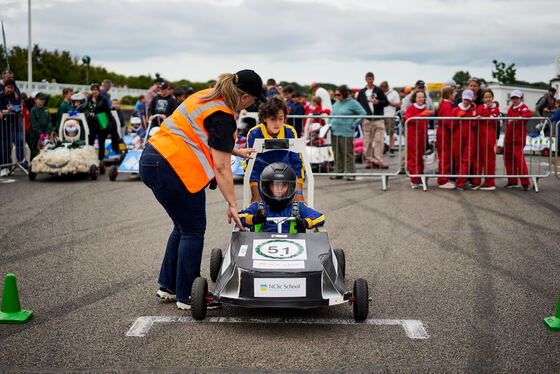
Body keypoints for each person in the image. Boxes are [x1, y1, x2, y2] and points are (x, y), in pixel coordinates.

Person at [139, 69, 265, 310]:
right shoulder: (223, 114)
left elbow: (201, 135)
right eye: (253, 100)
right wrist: (233, 204)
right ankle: (187, 295)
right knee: (193, 229)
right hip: (173, 167)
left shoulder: (206, 96)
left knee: (182, 226)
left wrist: (234, 150)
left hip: (151, 159)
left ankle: (168, 286)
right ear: (245, 97)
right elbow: (221, 167)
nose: (251, 104)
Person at [244, 96, 304, 204]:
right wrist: (255, 195)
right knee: (258, 209)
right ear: (264, 118)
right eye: (273, 119)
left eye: (280, 119)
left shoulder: (290, 132)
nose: (277, 123)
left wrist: (299, 194)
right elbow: (250, 166)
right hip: (261, 177)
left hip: (285, 176)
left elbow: (297, 162)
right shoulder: (254, 133)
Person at [239, 162, 324, 233]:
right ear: (267, 187)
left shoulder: (298, 207)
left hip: (294, 249)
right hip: (260, 249)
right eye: (275, 185)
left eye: (283, 185)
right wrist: (253, 219)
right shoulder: (258, 207)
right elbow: (238, 217)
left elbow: (320, 217)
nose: (279, 189)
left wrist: (306, 223)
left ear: (290, 187)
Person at [329, 85, 366, 181]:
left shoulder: (353, 103)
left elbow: (363, 113)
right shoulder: (336, 103)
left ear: (344, 94)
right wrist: (329, 124)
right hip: (334, 131)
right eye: (335, 95)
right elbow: (331, 115)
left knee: (347, 153)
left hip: (346, 132)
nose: (336, 96)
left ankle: (350, 173)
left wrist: (354, 123)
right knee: (337, 153)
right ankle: (338, 172)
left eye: (338, 94)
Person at [356, 72, 389, 169]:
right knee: (367, 141)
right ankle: (369, 160)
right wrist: (362, 116)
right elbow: (358, 105)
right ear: (366, 80)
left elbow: (386, 102)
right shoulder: (361, 92)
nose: (370, 81)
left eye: (371, 79)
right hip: (367, 120)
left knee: (379, 140)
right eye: (368, 79)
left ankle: (378, 160)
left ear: (373, 79)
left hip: (378, 119)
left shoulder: (379, 90)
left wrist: (378, 102)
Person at [405, 90, 433, 189]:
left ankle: (420, 177)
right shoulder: (411, 108)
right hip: (412, 136)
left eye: (422, 97)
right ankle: (414, 179)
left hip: (422, 136)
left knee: (420, 157)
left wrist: (427, 137)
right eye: (419, 97)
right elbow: (408, 120)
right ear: (415, 98)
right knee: (413, 157)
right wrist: (420, 115)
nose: (421, 99)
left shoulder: (424, 108)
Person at [504, 89, 532, 190]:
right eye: (513, 98)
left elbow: (528, 114)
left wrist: (517, 118)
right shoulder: (511, 108)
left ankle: (525, 182)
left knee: (519, 160)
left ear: (521, 98)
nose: (515, 100)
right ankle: (512, 181)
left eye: (517, 98)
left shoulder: (523, 107)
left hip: (518, 138)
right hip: (509, 137)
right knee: (508, 159)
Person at [473, 89, 500, 190]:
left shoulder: (495, 109)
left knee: (489, 159)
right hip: (479, 136)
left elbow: (489, 118)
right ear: (482, 99)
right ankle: (476, 181)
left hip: (489, 136)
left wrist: (483, 114)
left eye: (489, 97)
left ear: (492, 98)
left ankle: (489, 182)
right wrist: (482, 113)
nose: (488, 99)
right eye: (486, 97)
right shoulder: (480, 106)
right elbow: (478, 115)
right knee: (478, 159)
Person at [87, 83, 120, 163]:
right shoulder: (88, 98)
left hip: (102, 122)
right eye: (92, 90)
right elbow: (86, 108)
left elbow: (108, 112)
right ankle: (90, 158)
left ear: (99, 91)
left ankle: (101, 159)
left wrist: (110, 123)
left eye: (95, 90)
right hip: (92, 123)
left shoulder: (103, 99)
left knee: (101, 141)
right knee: (90, 141)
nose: (94, 92)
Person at [452, 89, 476, 190]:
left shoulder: (472, 110)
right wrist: (457, 118)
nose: (466, 101)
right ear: (462, 98)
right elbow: (451, 125)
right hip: (457, 137)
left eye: (468, 100)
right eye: (465, 99)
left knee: (467, 159)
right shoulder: (455, 110)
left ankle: (461, 181)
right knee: (458, 160)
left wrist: (475, 116)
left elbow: (474, 125)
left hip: (469, 137)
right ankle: (459, 179)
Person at [436, 86, 457, 189]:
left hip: (444, 134)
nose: (456, 94)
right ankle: (443, 180)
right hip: (445, 134)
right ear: (449, 94)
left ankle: (444, 178)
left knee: (445, 157)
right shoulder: (447, 105)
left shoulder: (446, 104)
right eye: (454, 92)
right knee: (445, 157)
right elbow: (449, 122)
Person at [380, 80, 400, 157]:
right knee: (381, 133)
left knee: (391, 133)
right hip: (381, 115)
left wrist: (388, 103)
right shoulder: (380, 93)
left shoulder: (394, 93)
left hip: (390, 115)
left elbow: (398, 104)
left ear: (386, 87)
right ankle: (383, 147)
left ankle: (391, 148)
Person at [29, 93, 51, 160]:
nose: (42, 101)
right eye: (40, 99)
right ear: (35, 100)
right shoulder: (33, 110)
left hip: (45, 135)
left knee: (45, 152)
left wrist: (47, 133)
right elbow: (34, 124)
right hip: (35, 136)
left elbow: (50, 121)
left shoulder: (46, 109)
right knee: (35, 153)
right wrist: (40, 134)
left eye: (43, 99)